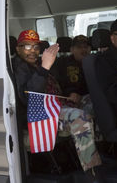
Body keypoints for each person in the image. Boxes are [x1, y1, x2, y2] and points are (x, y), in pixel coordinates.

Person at [13, 30, 103, 183]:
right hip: (39, 114)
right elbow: (28, 97)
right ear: (17, 49)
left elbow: (60, 85)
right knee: (80, 118)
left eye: (36, 47)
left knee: (95, 102)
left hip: (56, 105)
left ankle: (100, 152)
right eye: (27, 46)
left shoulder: (37, 64)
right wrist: (44, 67)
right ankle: (92, 173)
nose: (33, 51)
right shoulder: (19, 67)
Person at [53, 35, 93, 114]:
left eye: (86, 47)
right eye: (79, 47)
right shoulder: (63, 64)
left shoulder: (96, 62)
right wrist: (71, 93)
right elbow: (61, 83)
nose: (83, 50)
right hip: (70, 98)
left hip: (92, 97)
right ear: (72, 50)